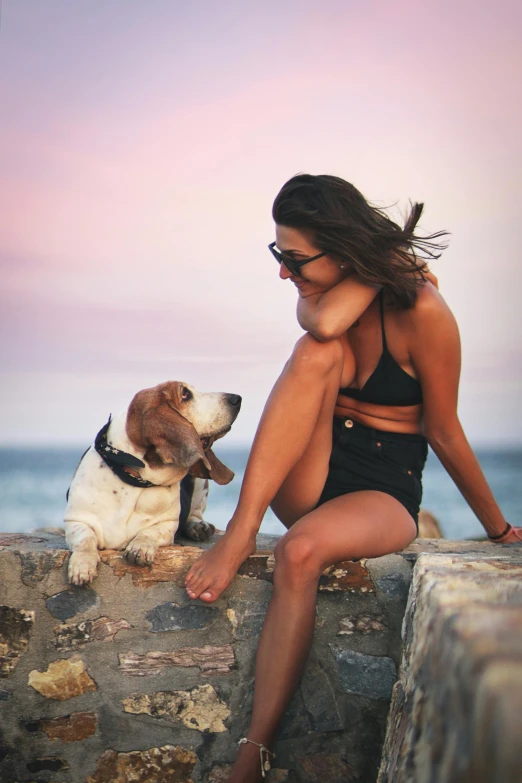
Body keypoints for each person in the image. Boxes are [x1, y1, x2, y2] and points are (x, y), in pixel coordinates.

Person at [185, 174, 522, 783]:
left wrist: (498, 530)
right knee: (317, 352)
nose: (283, 273)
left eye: (293, 259)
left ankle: (252, 753)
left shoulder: (423, 312)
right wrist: (373, 265)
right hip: (315, 471)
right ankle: (242, 528)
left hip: (384, 487)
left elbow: (444, 431)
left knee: (301, 551)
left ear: (341, 250)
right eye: (278, 255)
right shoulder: (322, 299)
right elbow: (325, 323)